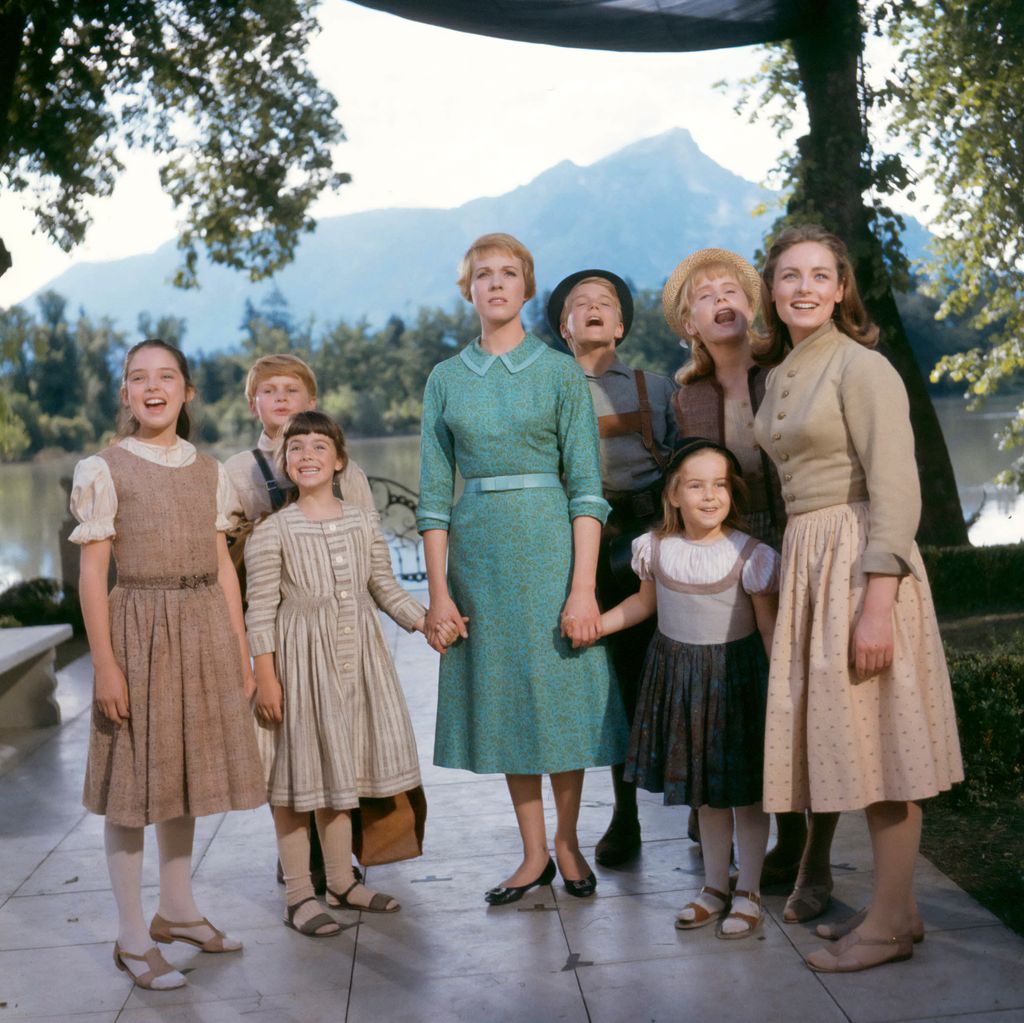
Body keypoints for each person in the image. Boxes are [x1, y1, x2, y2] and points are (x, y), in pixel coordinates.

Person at [754, 224, 964, 972]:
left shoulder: (861, 366)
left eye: (819, 275)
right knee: (864, 742)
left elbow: (897, 490)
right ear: (772, 291)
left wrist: (878, 601)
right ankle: (898, 913)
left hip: (861, 560)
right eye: (789, 276)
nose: (804, 287)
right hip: (814, 557)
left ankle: (881, 926)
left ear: (842, 287)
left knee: (884, 747)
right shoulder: (782, 373)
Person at [418, 233, 628, 904]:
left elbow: (589, 488)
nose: (497, 284)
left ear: (528, 289)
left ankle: (567, 840)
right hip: (480, 557)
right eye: (484, 274)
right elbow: (430, 499)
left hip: (554, 549)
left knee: (559, 698)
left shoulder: (560, 371)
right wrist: (439, 592)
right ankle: (533, 851)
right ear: (468, 290)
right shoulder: (445, 380)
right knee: (509, 700)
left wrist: (584, 587)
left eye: (510, 273)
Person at [70, 339, 265, 991]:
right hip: (139, 631)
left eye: (167, 376)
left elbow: (221, 566)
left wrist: (240, 648)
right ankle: (130, 935)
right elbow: (93, 576)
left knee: (184, 772)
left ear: (187, 391)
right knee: (133, 787)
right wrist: (105, 665)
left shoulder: (209, 468)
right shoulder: (103, 468)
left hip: (202, 625)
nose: (153, 387)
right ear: (125, 393)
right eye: (138, 378)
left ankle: (176, 910)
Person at [662, 247, 818, 904]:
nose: (722, 299)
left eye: (732, 289)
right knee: (741, 687)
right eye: (706, 295)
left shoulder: (785, 371)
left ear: (750, 306)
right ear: (690, 323)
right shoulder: (685, 397)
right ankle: (733, 829)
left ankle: (803, 841)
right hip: (723, 547)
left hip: (788, 534)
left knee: (793, 681)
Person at [245, 410, 434, 934]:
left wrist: (427, 623)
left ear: (340, 461)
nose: (307, 455)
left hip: (358, 664)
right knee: (295, 780)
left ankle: (341, 881)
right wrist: (266, 677)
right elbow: (258, 613)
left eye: (318, 447)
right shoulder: (272, 532)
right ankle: (300, 893)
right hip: (301, 667)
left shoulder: (361, 520)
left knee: (340, 772)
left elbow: (385, 587)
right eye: (296, 448)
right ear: (285, 463)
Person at [599, 437, 779, 936]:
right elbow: (642, 606)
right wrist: (598, 623)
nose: (709, 495)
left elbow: (767, 630)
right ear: (673, 494)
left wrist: (783, 690)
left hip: (737, 684)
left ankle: (750, 890)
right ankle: (715, 886)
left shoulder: (751, 555)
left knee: (746, 793)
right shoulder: (655, 548)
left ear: (732, 493)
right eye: (695, 485)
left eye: (719, 484)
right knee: (708, 795)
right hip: (680, 682)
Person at [224, 353, 374, 893]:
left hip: (336, 624)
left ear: (311, 401)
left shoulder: (342, 466)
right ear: (254, 404)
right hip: (274, 623)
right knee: (287, 744)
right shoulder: (239, 471)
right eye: (269, 391)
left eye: (292, 390)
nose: (281, 398)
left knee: (340, 739)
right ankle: (297, 861)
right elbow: (221, 551)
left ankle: (340, 863)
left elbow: (365, 542)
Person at [547, 268, 676, 867]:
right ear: (563, 327)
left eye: (606, 304)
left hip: (654, 543)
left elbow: (691, 467)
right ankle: (626, 816)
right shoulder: (543, 389)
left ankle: (702, 805)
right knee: (609, 686)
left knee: (676, 669)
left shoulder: (657, 388)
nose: (595, 309)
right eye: (581, 304)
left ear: (621, 325)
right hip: (583, 550)